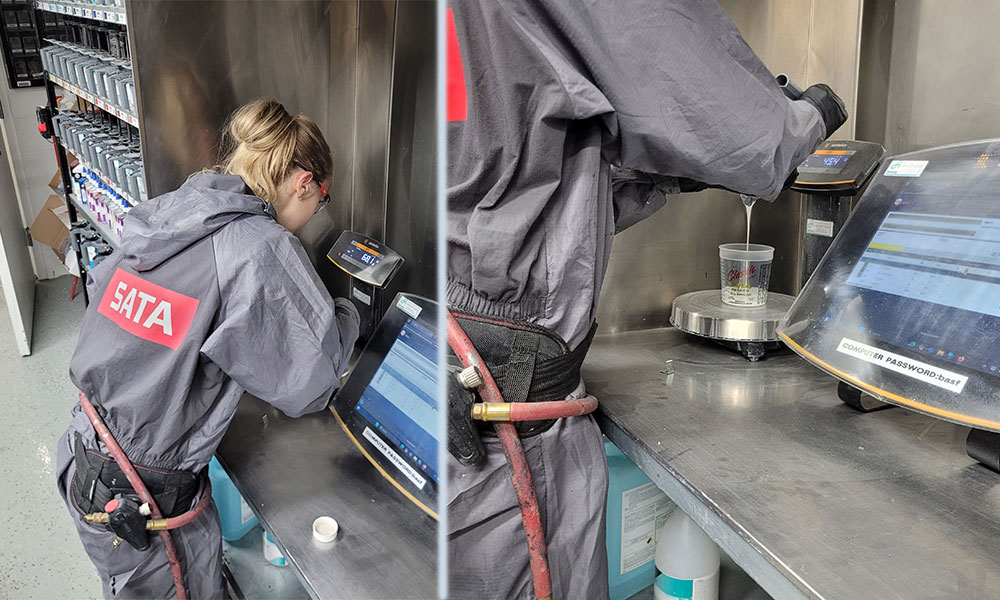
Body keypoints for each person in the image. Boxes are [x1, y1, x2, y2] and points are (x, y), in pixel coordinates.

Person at [445, 1, 847, 599]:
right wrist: (810, 116)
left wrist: (676, 172)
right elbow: (744, 134)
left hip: (450, 359)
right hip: (513, 424)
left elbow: (543, 171)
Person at [56, 99, 360, 598]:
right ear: (305, 183)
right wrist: (350, 314)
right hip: (144, 495)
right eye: (321, 200)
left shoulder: (180, 208)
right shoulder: (258, 244)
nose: (314, 214)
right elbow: (312, 384)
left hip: (87, 451)